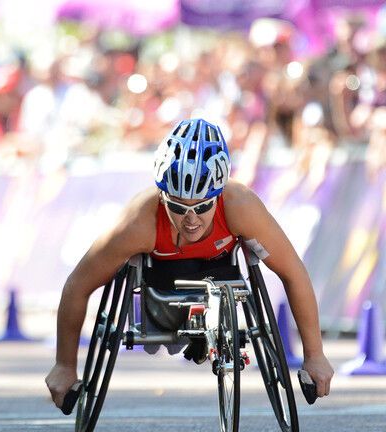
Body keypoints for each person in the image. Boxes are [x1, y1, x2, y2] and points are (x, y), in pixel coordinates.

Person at [45, 118, 335, 410]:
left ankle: (205, 333)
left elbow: (293, 272)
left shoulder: (241, 206)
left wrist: (315, 355)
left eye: (203, 206)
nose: (191, 219)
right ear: (162, 195)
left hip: (221, 274)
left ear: (218, 194)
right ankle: (192, 334)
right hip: (161, 287)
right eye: (178, 207)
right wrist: (64, 365)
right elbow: (78, 285)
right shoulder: (138, 223)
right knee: (161, 315)